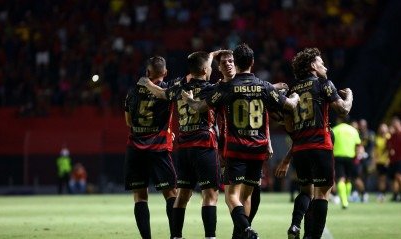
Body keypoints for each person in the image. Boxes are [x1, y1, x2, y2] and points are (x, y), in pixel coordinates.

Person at [184, 43, 300, 239]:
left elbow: (201, 107)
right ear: (253, 62)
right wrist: (295, 96)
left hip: (235, 148)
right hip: (257, 148)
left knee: (231, 196)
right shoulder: (263, 85)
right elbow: (288, 105)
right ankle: (242, 232)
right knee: (247, 195)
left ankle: (245, 229)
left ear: (235, 63)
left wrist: (189, 100)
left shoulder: (226, 88)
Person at [274, 47, 353, 239]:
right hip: (320, 146)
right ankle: (313, 236)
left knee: (305, 191)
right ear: (312, 66)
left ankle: (297, 227)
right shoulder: (323, 84)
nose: (325, 66)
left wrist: (289, 155)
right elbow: (343, 110)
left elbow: (290, 126)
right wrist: (350, 95)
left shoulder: (292, 90)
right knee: (322, 195)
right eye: (321, 63)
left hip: (300, 150)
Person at [143, 51, 221, 239]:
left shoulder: (179, 87)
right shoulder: (211, 89)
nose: (211, 69)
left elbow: (161, 93)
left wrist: (146, 83)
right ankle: (210, 236)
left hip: (184, 148)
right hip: (204, 144)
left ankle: (176, 236)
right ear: (204, 70)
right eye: (209, 67)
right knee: (210, 196)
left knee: (183, 195)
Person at [124, 56, 178, 239]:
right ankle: (174, 236)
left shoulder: (131, 92)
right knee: (171, 194)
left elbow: (128, 121)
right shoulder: (168, 89)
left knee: (140, 196)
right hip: (159, 149)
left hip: (135, 149)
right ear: (165, 73)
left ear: (147, 73)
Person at [332, 116, 362, 209]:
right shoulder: (353, 130)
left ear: (339, 119)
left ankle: (344, 201)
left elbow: (329, 143)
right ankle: (346, 198)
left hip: (338, 156)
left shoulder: (334, 130)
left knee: (340, 179)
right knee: (348, 179)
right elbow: (358, 145)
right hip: (351, 157)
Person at [373, 123, 391, 202]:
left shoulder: (389, 137)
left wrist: (389, 159)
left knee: (387, 179)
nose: (383, 130)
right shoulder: (377, 138)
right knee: (381, 179)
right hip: (380, 161)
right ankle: (382, 194)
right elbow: (375, 151)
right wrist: (374, 161)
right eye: (381, 128)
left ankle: (384, 194)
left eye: (384, 128)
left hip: (388, 161)